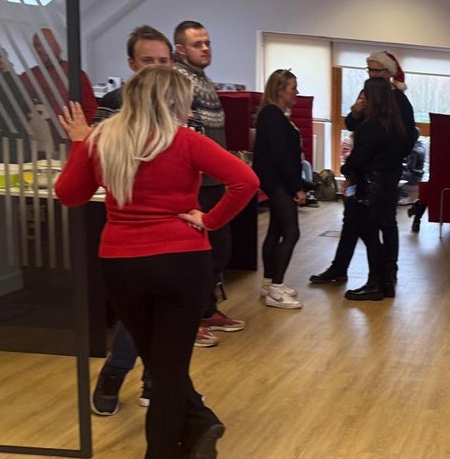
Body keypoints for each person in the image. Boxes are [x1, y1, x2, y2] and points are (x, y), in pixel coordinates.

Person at [54, 66, 258, 459]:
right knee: (169, 362)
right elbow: (246, 181)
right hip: (182, 260)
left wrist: (78, 143)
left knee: (158, 359)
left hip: (122, 262)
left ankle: (199, 421)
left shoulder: (101, 141)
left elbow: (69, 195)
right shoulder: (186, 141)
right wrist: (211, 220)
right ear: (173, 103)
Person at [89, 24, 176, 416]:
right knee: (135, 313)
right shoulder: (112, 103)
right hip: (129, 226)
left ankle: (154, 380)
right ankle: (116, 371)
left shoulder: (178, 103)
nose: (156, 68)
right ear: (131, 64)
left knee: (165, 314)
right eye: (148, 61)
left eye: (163, 61)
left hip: (174, 227)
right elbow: (96, 160)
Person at [310, 51, 410, 284]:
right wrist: (355, 113)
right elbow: (354, 124)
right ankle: (340, 267)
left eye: (376, 70)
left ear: (389, 73)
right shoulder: (370, 94)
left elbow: (404, 139)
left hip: (381, 175)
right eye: (370, 70)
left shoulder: (400, 102)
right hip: (363, 173)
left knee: (382, 223)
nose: (372, 74)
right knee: (353, 220)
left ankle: (387, 271)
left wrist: (384, 164)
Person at [174, 20, 242, 343]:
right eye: (197, 44)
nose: (205, 48)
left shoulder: (205, 81)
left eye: (207, 43)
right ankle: (188, 321)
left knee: (218, 251)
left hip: (216, 183)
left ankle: (206, 309)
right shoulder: (178, 81)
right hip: (194, 186)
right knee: (196, 256)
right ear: (180, 50)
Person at [341, 76, 417, 300]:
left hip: (370, 184)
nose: (362, 98)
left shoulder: (373, 125)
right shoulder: (396, 124)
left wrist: (347, 172)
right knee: (372, 231)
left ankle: (376, 283)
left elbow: (359, 157)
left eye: (365, 94)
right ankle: (384, 281)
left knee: (369, 233)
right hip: (386, 183)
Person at [253, 69, 307, 309]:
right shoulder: (272, 114)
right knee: (291, 232)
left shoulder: (275, 114)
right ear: (279, 90)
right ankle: (275, 288)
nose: (296, 93)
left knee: (275, 231)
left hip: (276, 181)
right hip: (277, 183)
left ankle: (268, 283)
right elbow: (281, 155)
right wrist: (297, 188)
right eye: (293, 88)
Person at [21, 27, 97, 124]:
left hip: (69, 135)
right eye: (36, 45)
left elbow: (90, 112)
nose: (39, 49)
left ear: (58, 47)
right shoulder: (28, 77)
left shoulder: (75, 75)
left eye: (44, 44)